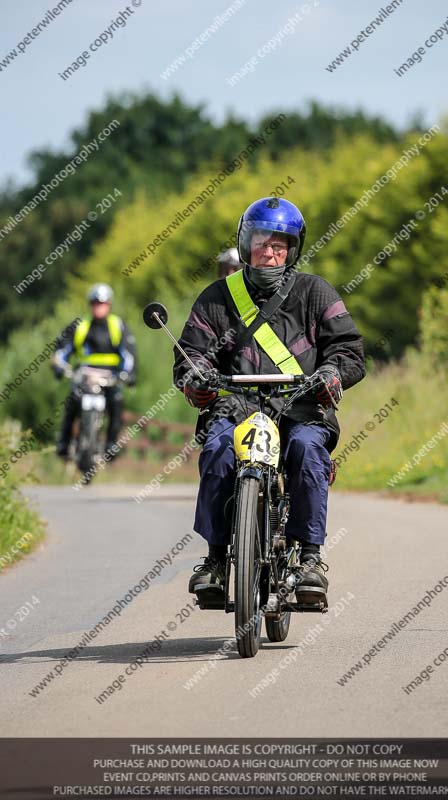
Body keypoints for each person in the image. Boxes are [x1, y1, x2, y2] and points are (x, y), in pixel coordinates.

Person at [173, 197, 365, 606]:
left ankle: (310, 559)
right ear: (245, 244)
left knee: (308, 450)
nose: (271, 251)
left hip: (300, 404)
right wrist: (196, 378)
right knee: (217, 450)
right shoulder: (216, 297)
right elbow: (192, 352)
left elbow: (348, 349)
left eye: (280, 244)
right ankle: (216, 562)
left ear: (293, 248)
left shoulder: (316, 292)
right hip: (237, 405)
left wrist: (331, 374)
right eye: (262, 242)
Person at [52, 283, 137, 457]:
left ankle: (111, 444)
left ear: (109, 305)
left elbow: (129, 354)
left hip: (110, 378)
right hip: (84, 377)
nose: (99, 307)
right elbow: (62, 350)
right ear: (90, 304)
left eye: (103, 303)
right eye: (95, 303)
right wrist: (59, 366)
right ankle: (64, 442)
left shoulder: (117, 325)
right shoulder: (80, 325)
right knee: (72, 402)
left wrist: (129, 374)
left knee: (117, 402)